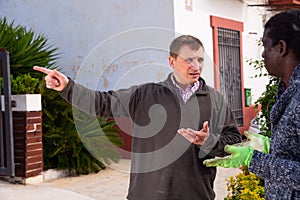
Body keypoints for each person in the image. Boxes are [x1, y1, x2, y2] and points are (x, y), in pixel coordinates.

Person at [34, 35, 241, 200]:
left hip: (196, 194)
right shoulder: (145, 95)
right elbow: (101, 102)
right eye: (188, 60)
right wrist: (68, 88)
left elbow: (233, 141)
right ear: (171, 61)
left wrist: (208, 141)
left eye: (200, 60)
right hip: (147, 194)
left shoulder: (215, 100)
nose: (195, 66)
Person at [203, 10, 300, 199]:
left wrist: (253, 159)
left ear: (281, 48)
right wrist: (272, 146)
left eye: (265, 46)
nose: (262, 54)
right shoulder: (288, 90)